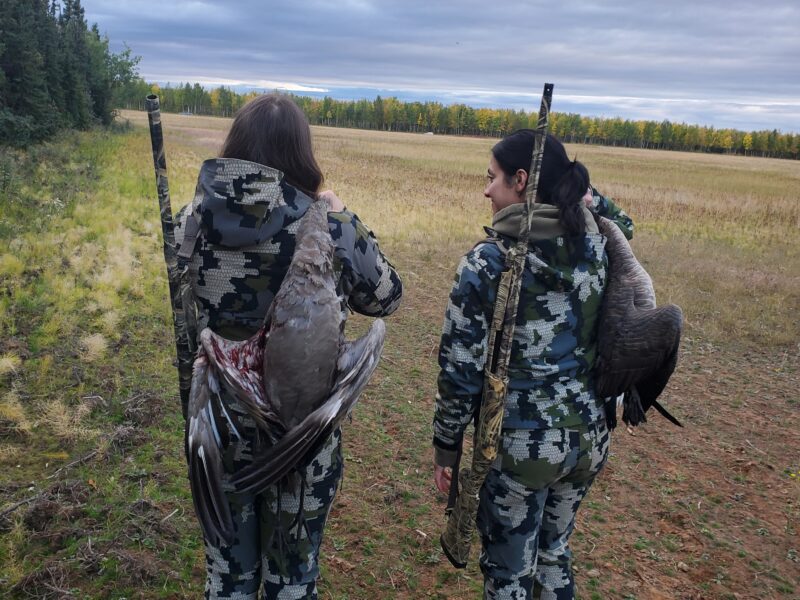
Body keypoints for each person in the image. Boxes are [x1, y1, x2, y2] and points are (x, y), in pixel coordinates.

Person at [175, 93, 402, 599]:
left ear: (235, 145)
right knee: (292, 577)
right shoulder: (331, 227)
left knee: (227, 575)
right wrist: (349, 217)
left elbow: (185, 303)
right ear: (302, 152)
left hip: (218, 425)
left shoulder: (189, 219)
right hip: (300, 433)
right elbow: (387, 298)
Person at [432, 130, 633, 599]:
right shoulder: (596, 247)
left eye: (492, 178)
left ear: (521, 181)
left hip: (519, 447)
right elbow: (625, 223)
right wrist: (586, 191)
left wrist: (447, 448)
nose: (485, 190)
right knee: (554, 557)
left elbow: (460, 371)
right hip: (587, 438)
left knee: (508, 574)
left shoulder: (488, 262)